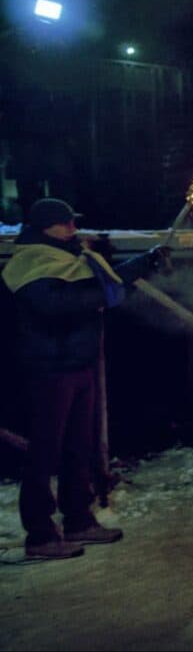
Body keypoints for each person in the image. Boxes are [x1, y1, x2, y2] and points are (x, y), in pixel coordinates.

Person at [1, 198, 169, 559]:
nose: (73, 229)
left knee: (79, 446)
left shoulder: (73, 257)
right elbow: (59, 304)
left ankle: (78, 519)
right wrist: (107, 296)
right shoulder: (28, 263)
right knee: (44, 452)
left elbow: (99, 282)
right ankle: (40, 535)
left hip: (78, 364)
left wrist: (145, 262)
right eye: (65, 224)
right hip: (49, 369)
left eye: (73, 222)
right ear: (45, 227)